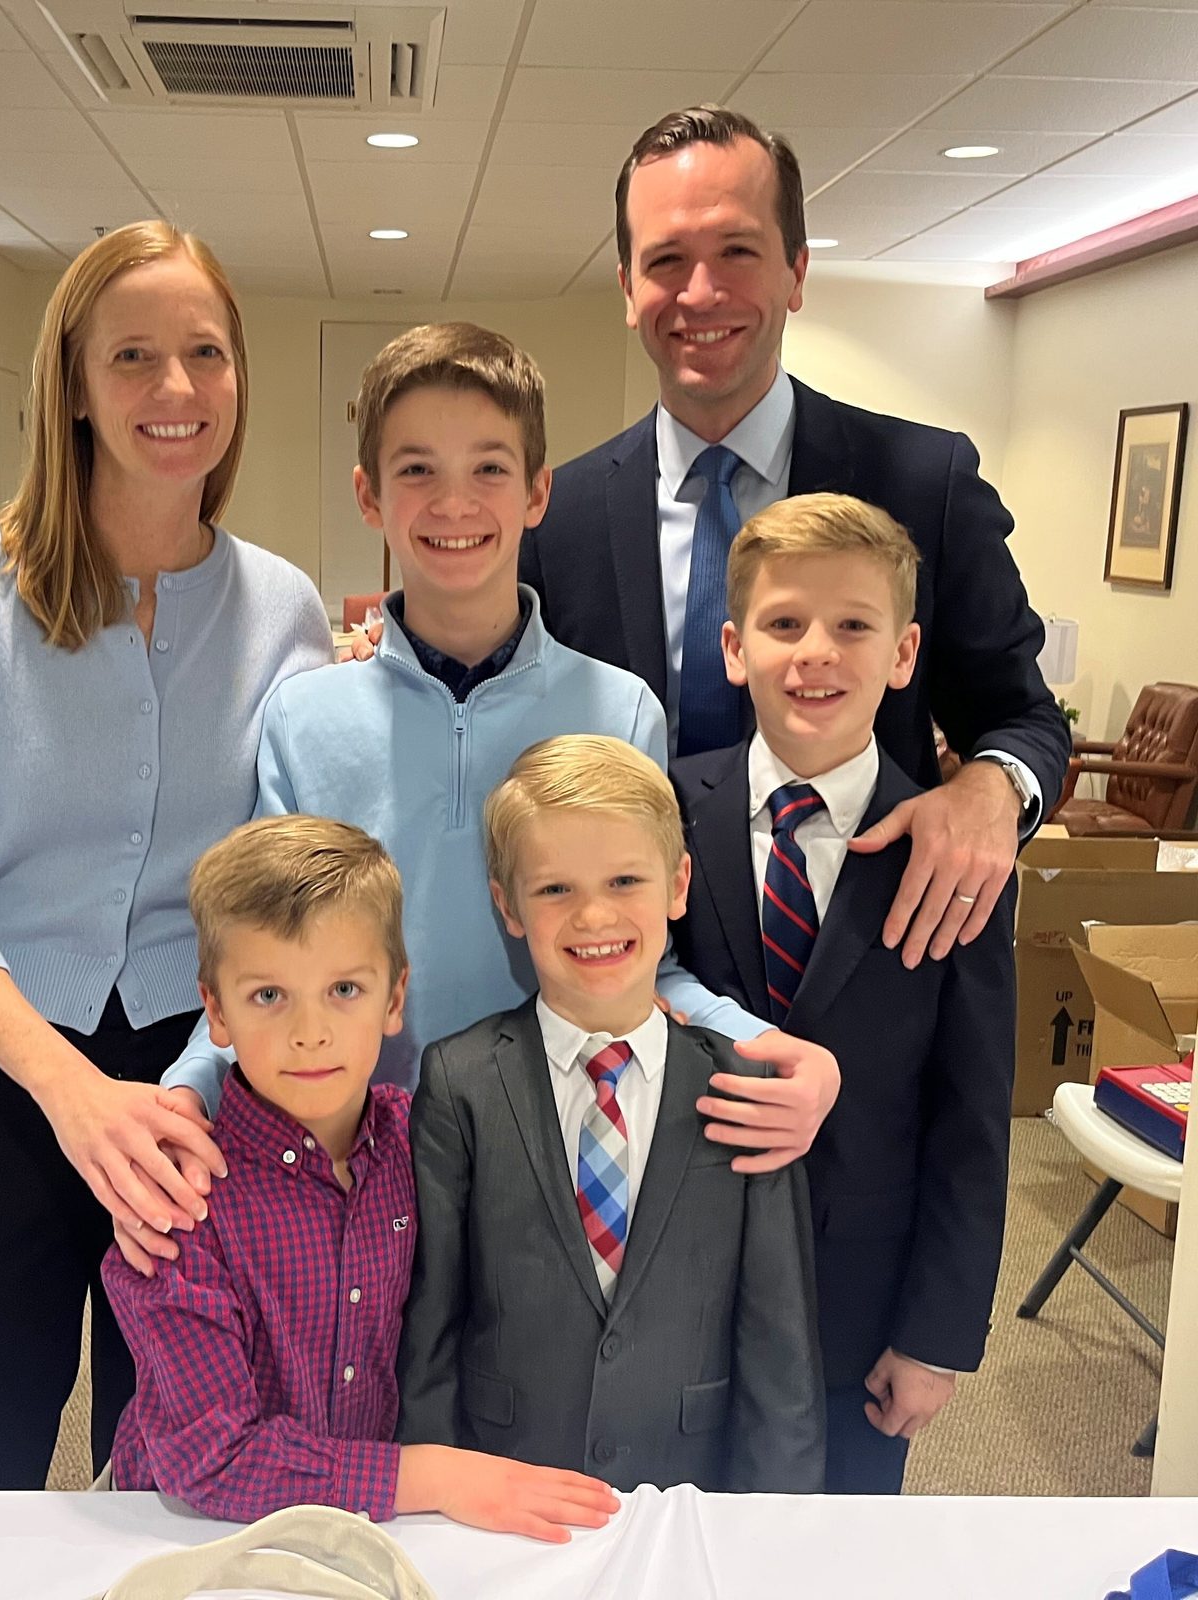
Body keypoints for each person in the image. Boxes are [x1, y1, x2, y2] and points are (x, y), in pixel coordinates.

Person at [141, 323, 840, 1278]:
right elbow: (269, 959)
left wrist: (766, 1044)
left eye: (490, 469)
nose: (455, 502)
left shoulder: (615, 709)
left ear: (539, 491)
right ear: (368, 495)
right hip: (357, 1162)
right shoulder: (305, 719)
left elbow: (642, 962)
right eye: (417, 470)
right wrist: (188, 1085)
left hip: (552, 1160)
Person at [0, 223, 332, 1489]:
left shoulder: (282, 604)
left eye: (204, 354)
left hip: (193, 1092)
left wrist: (199, 1074)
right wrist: (67, 1090)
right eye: (132, 355)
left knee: (181, 1461)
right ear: (70, 381)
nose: (175, 391)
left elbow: (285, 873)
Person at [521, 105, 1070, 971]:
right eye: (665, 261)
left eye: (737, 251)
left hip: (859, 973)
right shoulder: (557, 516)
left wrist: (992, 788)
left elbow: (1020, 714)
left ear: (797, 270)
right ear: (628, 288)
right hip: (624, 981)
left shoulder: (929, 485)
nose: (700, 293)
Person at [102, 814, 620, 1540]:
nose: (309, 1031)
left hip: (386, 1531)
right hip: (191, 1534)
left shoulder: (430, 1142)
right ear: (214, 1010)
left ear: (395, 998)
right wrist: (434, 1475)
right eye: (268, 996)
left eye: (344, 989)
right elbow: (211, 1460)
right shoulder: (178, 1204)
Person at [668, 494, 1016, 1494]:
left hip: (860, 1311)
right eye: (783, 624)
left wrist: (936, 1333)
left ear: (903, 653)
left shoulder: (960, 854)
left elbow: (971, 1113)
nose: (814, 651)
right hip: (681, 1288)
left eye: (852, 625)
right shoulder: (666, 812)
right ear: (734, 647)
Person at [398, 735, 826, 1493]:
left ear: (677, 884)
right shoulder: (458, 1080)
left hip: (685, 1487)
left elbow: (779, 1349)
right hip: (504, 1485)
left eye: (626, 879)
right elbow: (432, 1325)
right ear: (509, 906)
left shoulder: (745, 1087)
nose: (593, 915)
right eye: (555, 889)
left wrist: (775, 1532)